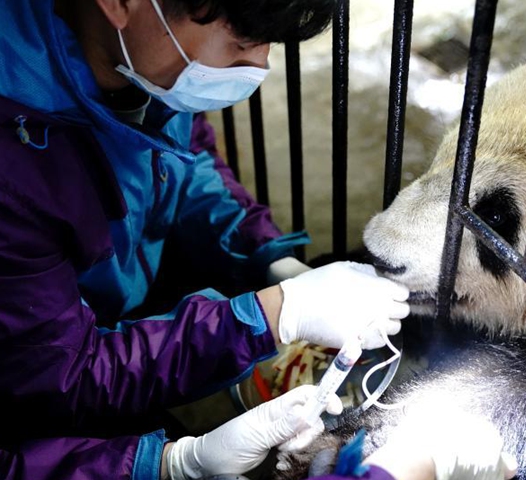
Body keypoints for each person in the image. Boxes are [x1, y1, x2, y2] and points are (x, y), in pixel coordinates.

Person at [0, 0, 411, 478]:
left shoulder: (141, 65)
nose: (258, 66)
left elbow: (184, 160)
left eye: (266, 44)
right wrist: (265, 317)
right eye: (240, 41)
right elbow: (56, 375)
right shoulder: (16, 161)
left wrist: (267, 255)